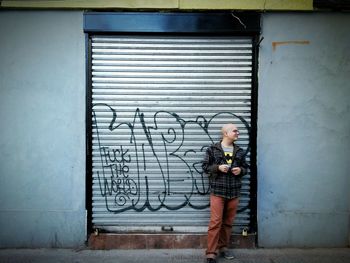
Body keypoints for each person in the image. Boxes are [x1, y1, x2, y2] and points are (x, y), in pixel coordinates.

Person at [202, 123, 248, 263]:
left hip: (234, 191)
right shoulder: (212, 149)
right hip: (218, 191)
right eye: (235, 131)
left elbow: (245, 168)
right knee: (215, 222)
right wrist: (218, 167)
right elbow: (205, 167)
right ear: (226, 133)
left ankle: (223, 248)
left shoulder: (239, 151)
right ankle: (211, 254)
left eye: (238, 131)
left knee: (228, 223)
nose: (238, 133)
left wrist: (241, 171)